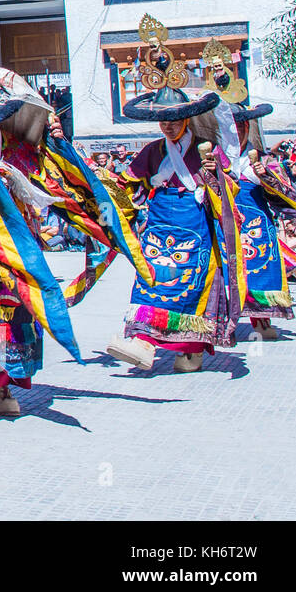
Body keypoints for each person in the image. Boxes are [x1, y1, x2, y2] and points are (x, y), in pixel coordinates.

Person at [0, 0, 146, 420]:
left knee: (13, 310)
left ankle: (5, 389)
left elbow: (53, 187)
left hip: (17, 246)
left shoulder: (20, 151)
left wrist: (45, 153)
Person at [105, 26, 246, 374]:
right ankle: (143, 341)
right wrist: (105, 194)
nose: (168, 127)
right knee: (153, 278)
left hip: (194, 223)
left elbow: (230, 190)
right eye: (163, 121)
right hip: (159, 224)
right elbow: (128, 184)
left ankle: (190, 347)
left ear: (187, 118)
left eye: (174, 120)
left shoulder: (207, 151)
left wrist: (214, 176)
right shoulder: (153, 152)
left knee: (193, 283)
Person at [225, 97, 296, 340]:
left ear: (247, 128)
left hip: (256, 225)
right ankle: (227, 320)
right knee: (227, 273)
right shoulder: (215, 159)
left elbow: (285, 191)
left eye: (239, 129)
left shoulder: (265, 159)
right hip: (226, 225)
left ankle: (262, 318)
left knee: (259, 271)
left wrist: (266, 177)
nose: (236, 134)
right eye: (230, 130)